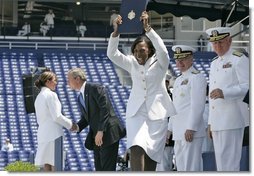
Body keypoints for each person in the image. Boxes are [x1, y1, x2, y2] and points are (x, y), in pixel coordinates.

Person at [107, 11, 176, 171]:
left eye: (142, 50)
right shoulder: (132, 62)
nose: (138, 54)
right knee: (136, 146)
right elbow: (112, 54)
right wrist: (116, 32)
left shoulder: (161, 63)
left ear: (150, 50)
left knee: (151, 157)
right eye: (136, 51)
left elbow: (164, 52)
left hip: (157, 116)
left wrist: (148, 29)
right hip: (136, 114)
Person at [205, 27, 249, 171]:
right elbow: (212, 98)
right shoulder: (214, 62)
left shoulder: (239, 59)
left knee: (230, 163)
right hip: (218, 121)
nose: (217, 46)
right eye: (214, 43)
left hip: (232, 118)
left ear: (230, 41)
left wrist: (225, 92)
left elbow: (247, 86)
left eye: (221, 42)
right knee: (221, 163)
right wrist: (211, 123)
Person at [67, 68, 126, 171]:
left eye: (69, 79)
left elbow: (105, 109)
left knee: (107, 169)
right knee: (99, 169)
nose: (68, 82)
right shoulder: (80, 97)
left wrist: (100, 131)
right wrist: (77, 127)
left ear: (77, 79)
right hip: (97, 138)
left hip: (108, 133)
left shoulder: (95, 88)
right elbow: (87, 118)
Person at [168, 45, 207, 171]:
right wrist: (169, 129)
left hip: (190, 131)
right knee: (181, 167)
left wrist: (191, 127)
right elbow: (175, 107)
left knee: (191, 167)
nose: (180, 62)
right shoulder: (178, 80)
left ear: (191, 59)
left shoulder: (197, 77)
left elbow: (198, 105)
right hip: (179, 131)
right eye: (177, 59)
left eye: (183, 59)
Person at [34, 70, 75, 171]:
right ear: (48, 81)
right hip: (54, 135)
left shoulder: (38, 97)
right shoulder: (51, 95)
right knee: (56, 165)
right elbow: (57, 116)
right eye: (54, 80)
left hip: (43, 135)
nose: (56, 83)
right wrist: (71, 125)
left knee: (46, 166)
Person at [156, 73, 175, 171]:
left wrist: (168, 133)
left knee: (165, 164)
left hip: (167, 136)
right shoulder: (156, 97)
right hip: (157, 136)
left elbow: (171, 117)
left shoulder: (172, 98)